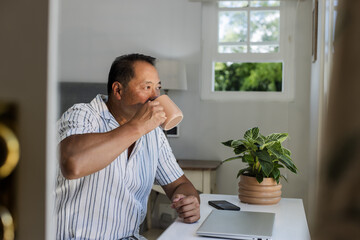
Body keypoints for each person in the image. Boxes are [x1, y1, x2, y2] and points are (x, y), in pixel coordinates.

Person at [55, 53, 200, 240]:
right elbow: (72, 164)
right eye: (147, 87)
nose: (155, 96)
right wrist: (137, 127)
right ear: (118, 90)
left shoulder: (153, 133)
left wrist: (189, 201)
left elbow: (179, 184)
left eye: (158, 88)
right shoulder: (82, 115)